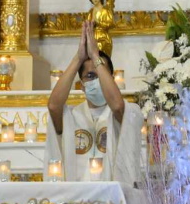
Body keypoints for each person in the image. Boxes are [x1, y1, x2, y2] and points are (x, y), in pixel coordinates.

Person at [45, 20, 142, 188]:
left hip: (115, 198)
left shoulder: (128, 111)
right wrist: (78, 58)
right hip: (78, 198)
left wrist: (96, 57)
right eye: (90, 76)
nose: (96, 80)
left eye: (101, 74)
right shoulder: (72, 116)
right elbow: (53, 106)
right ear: (81, 85)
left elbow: (118, 106)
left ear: (111, 79)